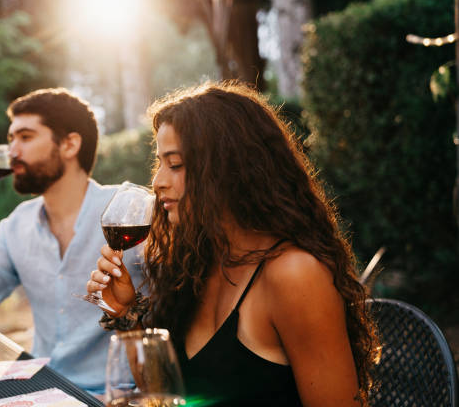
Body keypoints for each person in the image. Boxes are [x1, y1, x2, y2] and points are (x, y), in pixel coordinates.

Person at [87, 81, 380, 406]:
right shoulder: (196, 263)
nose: (157, 181)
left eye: (176, 165)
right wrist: (125, 313)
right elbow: (164, 394)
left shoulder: (294, 274)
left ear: (227, 169)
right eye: (160, 164)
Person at [0, 88, 142, 394]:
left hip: (120, 397)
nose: (12, 151)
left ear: (69, 144)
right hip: (43, 391)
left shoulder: (129, 214)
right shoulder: (17, 226)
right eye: (11, 138)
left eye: (25, 137)